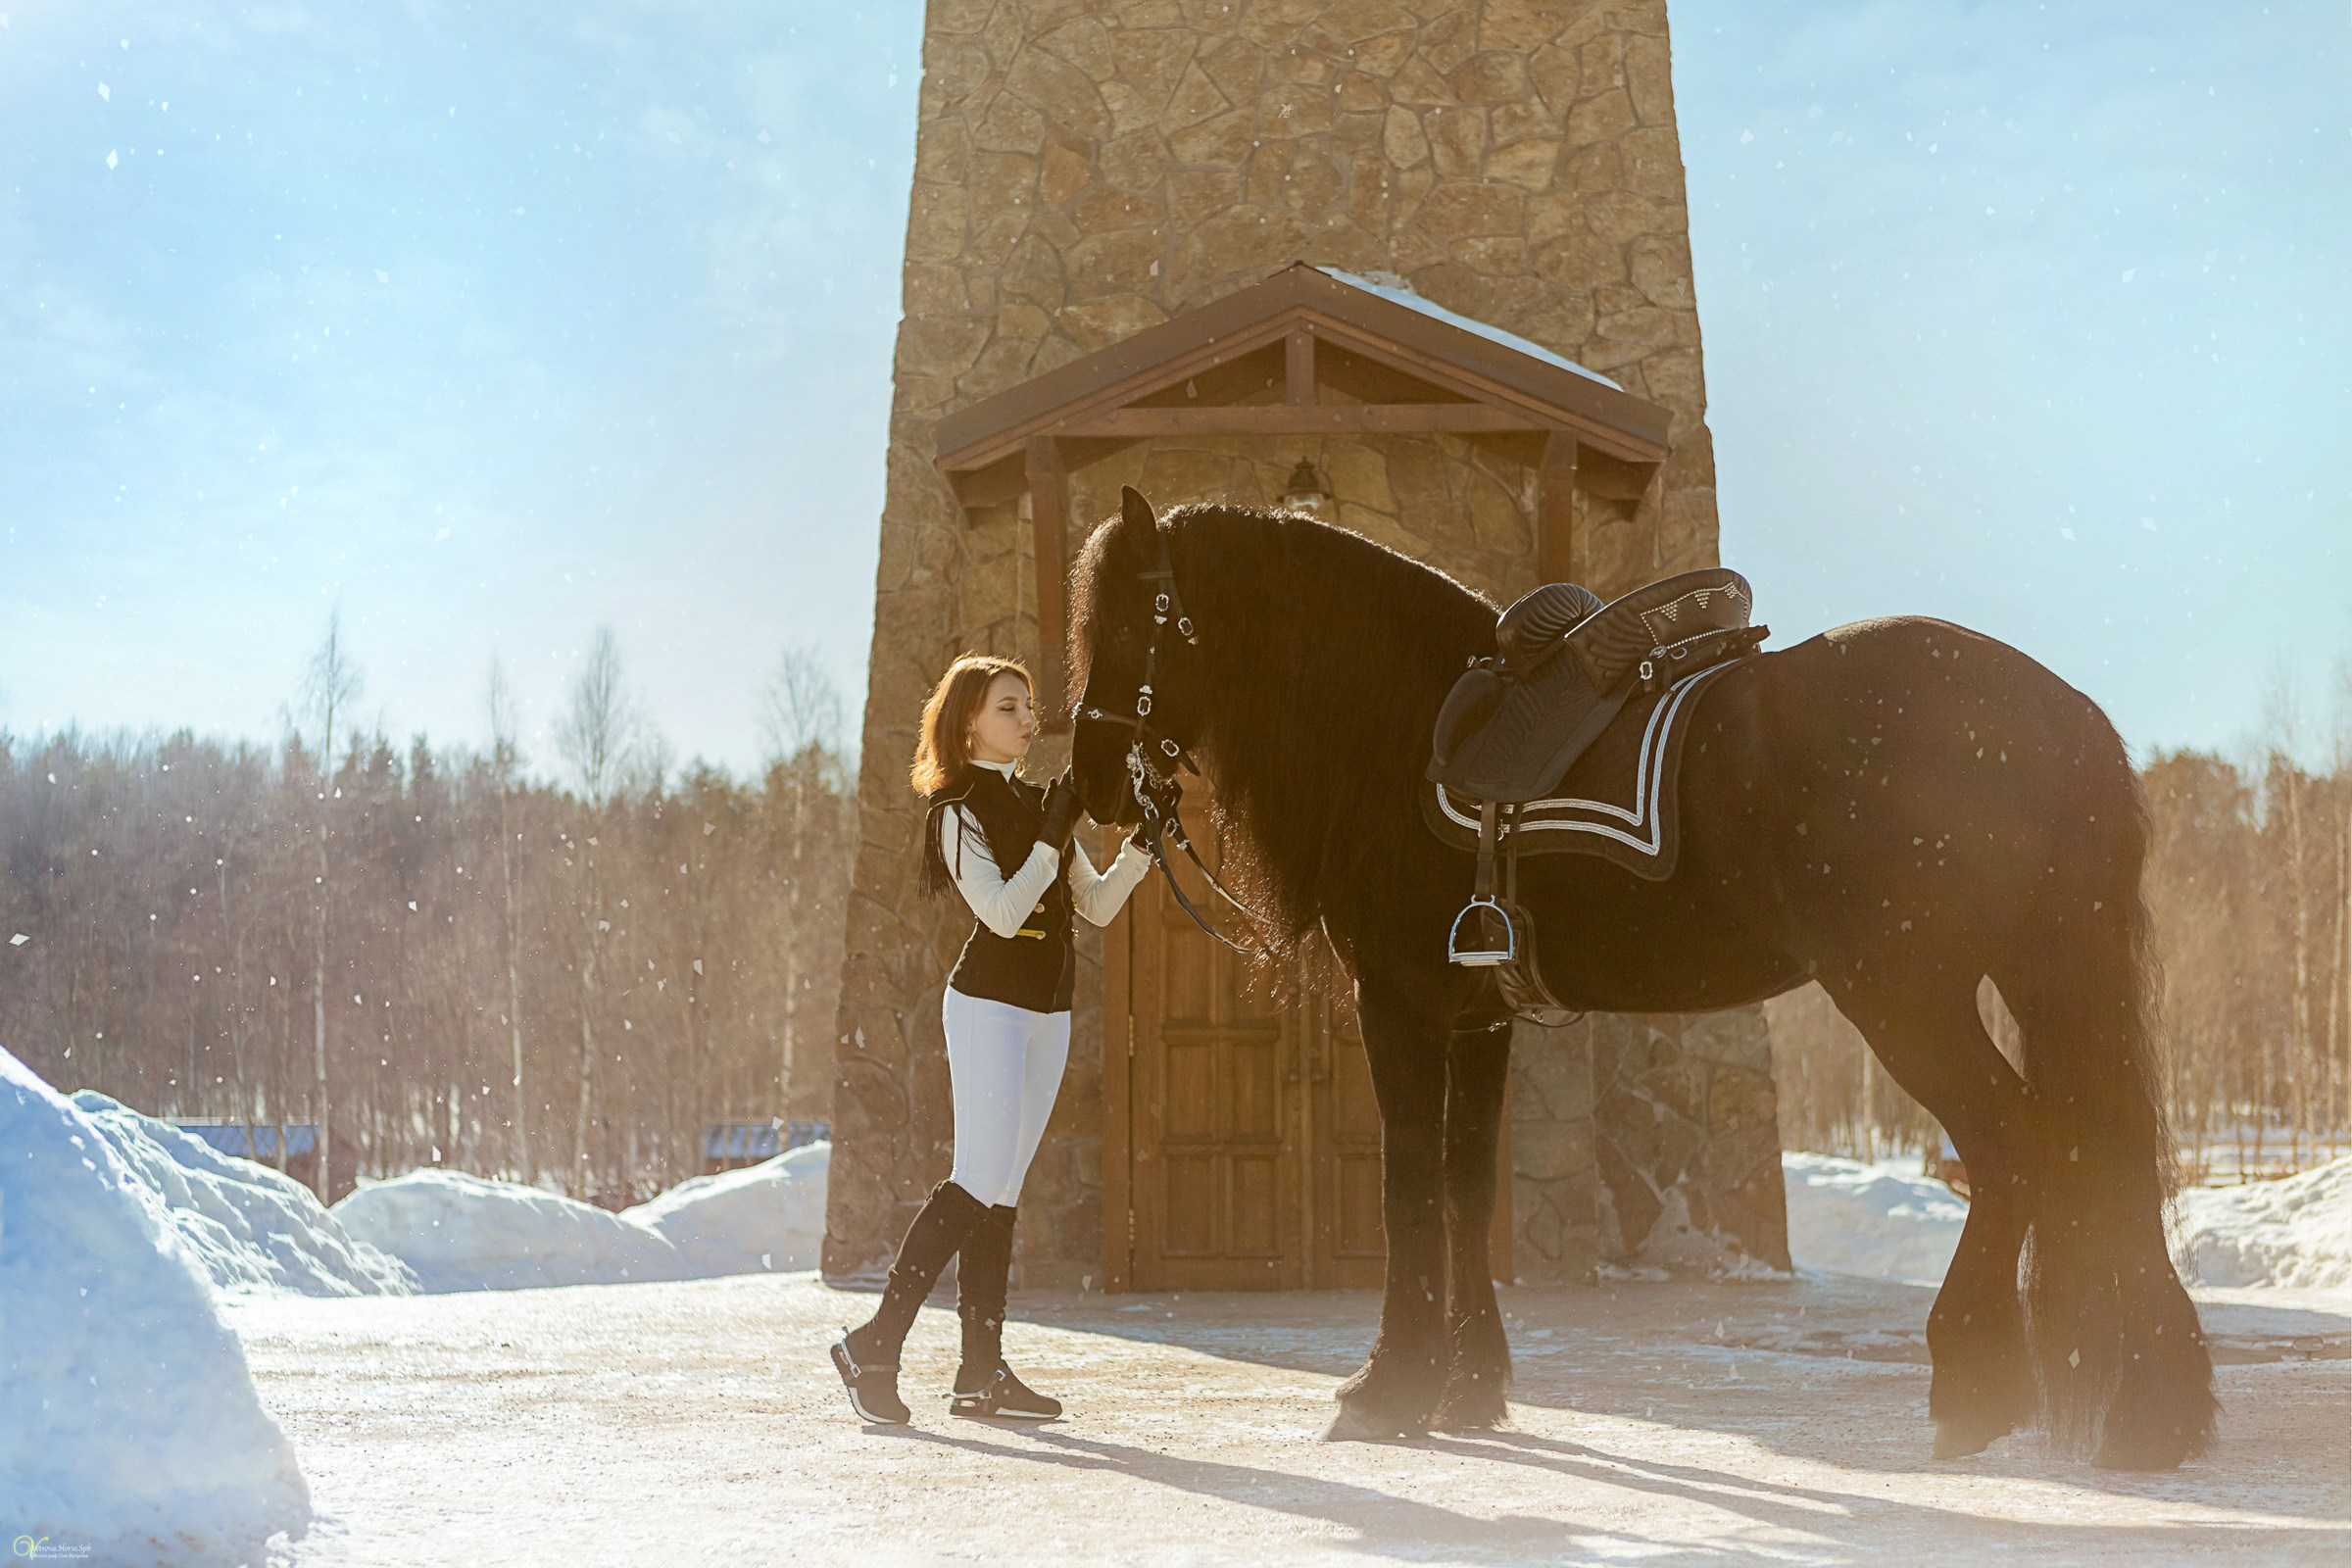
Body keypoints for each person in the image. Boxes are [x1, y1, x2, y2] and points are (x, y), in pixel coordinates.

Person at [831, 654, 1152, 1425]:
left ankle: (981, 1374)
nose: (1026, 717)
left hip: (1050, 1009)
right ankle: (875, 1343)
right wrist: (1055, 828)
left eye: (1030, 705)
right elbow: (1002, 913)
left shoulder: (1045, 803)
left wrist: (1144, 844)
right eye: (1009, 706)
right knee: (976, 1177)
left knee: (1002, 1190)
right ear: (969, 719)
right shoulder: (955, 809)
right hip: (987, 1008)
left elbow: (1098, 907)